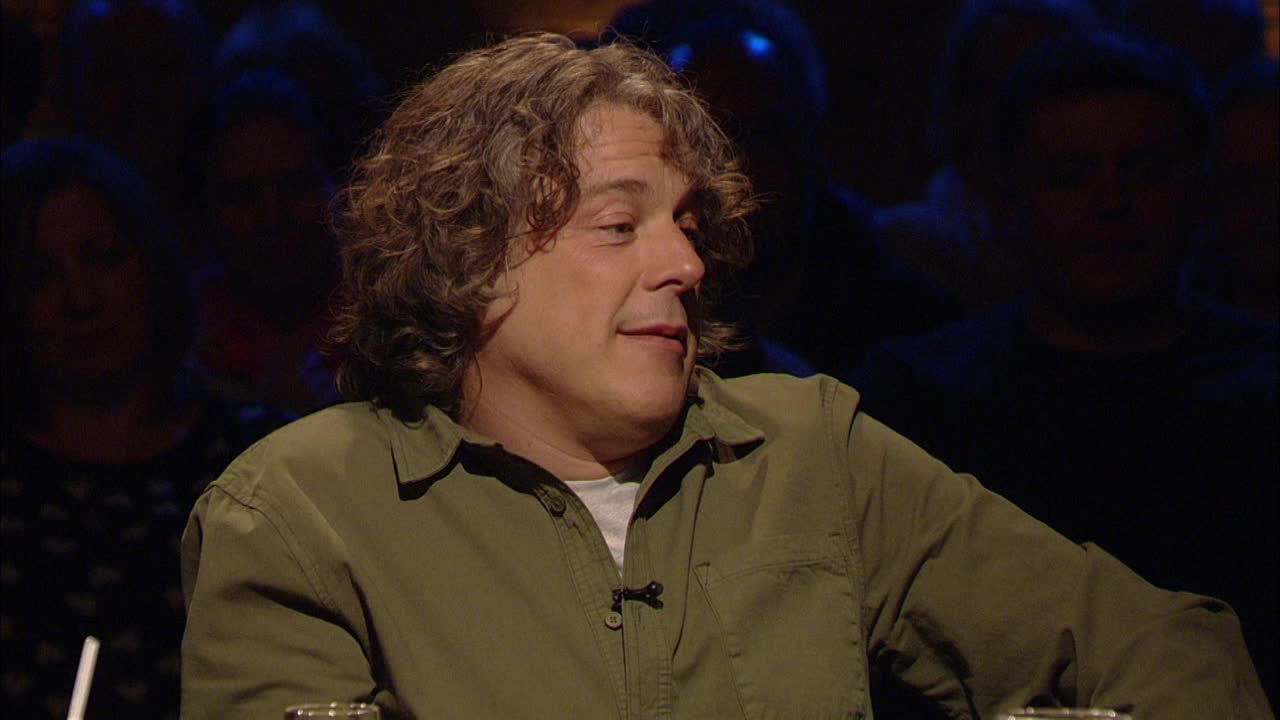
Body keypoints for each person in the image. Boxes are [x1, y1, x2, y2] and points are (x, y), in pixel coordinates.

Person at [179, 33, 1271, 719]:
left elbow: (1175, 655)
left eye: (690, 225)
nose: (686, 263)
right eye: (621, 225)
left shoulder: (810, 451)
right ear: (470, 260)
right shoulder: (301, 512)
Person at [852, 29, 1278, 704]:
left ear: (1197, 189)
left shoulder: (1264, 388)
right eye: (1070, 174)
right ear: (1011, 193)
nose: (1111, 203)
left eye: (1144, 169)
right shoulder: (916, 402)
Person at [0, 137, 288, 719]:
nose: (81, 299)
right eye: (41, 276)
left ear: (152, 263)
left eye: (104, 258)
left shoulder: (260, 463)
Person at [608, 0, 961, 375]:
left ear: (813, 141)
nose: (732, 167)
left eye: (758, 136)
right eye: (702, 143)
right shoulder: (624, 306)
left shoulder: (910, 331)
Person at [194, 68, 342, 415]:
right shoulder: (178, 344)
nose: (273, 218)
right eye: (243, 196)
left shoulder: (396, 326)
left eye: (296, 185)